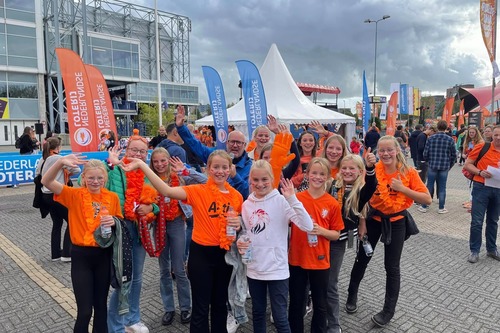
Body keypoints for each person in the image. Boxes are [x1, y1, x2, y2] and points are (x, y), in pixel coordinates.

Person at [121, 150, 243, 333]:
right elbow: (166, 190)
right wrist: (142, 165)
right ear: (208, 169)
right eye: (215, 167)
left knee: (219, 304)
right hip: (201, 254)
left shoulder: (236, 196)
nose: (220, 171)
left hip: (224, 255)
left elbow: (238, 225)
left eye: (224, 167)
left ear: (230, 169)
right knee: (201, 307)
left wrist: (239, 223)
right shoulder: (197, 191)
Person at [345, 136, 431, 328]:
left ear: (397, 150)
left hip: (397, 222)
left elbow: (427, 199)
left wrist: (402, 189)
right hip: (373, 220)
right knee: (362, 259)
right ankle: (352, 294)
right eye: (381, 150)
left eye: (389, 150)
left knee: (392, 268)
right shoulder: (373, 171)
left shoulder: (409, 172)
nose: (385, 154)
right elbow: (362, 198)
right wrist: (362, 223)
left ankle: (388, 311)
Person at [42, 155, 122, 333]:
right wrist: (61, 162)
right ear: (83, 178)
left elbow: (119, 225)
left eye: (100, 178)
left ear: (105, 179)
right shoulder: (74, 195)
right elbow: (46, 181)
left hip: (103, 255)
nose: (95, 181)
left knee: (101, 308)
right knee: (85, 311)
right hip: (80, 257)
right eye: (91, 177)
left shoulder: (113, 197)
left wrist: (115, 223)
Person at [237, 160, 313, 333]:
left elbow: (307, 226)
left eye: (264, 179)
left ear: (272, 178)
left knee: (280, 318)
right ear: (250, 180)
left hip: (277, 269)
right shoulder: (246, 205)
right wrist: (241, 242)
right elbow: (249, 234)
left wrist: (292, 198)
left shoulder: (281, 201)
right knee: (258, 313)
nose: (260, 184)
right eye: (255, 180)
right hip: (254, 268)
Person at [106, 129, 158, 333]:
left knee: (137, 278)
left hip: (140, 228)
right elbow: (88, 183)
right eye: (134, 150)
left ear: (147, 154)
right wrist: (110, 163)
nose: (137, 154)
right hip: (121, 227)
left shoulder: (147, 173)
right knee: (123, 279)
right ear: (126, 150)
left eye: (142, 151)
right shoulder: (115, 168)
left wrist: (151, 209)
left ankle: (132, 318)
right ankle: (116, 326)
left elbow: (159, 200)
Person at [288, 157, 344, 333]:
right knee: (296, 302)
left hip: (320, 261)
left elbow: (336, 234)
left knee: (320, 303)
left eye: (322, 174)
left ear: (328, 177)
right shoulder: (296, 199)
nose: (318, 177)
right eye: (314, 173)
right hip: (297, 258)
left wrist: (321, 231)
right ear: (307, 174)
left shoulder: (332, 204)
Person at [327, 152, 377, 333]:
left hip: (339, 241)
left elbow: (372, 185)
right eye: (344, 168)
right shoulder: (332, 185)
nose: (347, 171)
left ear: (359, 171)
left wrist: (371, 169)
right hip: (322, 236)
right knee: (317, 279)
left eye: (351, 168)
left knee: (331, 281)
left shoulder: (360, 191)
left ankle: (333, 323)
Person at [148, 148, 192, 326]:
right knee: (164, 270)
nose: (159, 164)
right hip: (158, 223)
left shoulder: (178, 176)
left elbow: (199, 181)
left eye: (163, 161)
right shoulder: (149, 178)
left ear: (168, 161)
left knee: (179, 269)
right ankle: (168, 309)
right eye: (156, 161)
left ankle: (186, 307)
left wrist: (185, 170)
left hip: (175, 223)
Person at [174, 105, 251, 199]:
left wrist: (235, 177)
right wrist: (181, 128)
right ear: (227, 143)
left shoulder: (249, 166)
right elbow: (195, 145)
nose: (235, 145)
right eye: (232, 142)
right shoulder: (216, 157)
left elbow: (248, 193)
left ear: (244, 145)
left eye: (238, 143)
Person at [36, 137, 80, 262]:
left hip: (45, 195)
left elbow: (37, 174)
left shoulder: (42, 159)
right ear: (58, 147)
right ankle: (67, 253)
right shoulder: (59, 159)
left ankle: (55, 253)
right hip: (57, 194)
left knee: (57, 223)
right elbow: (77, 169)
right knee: (72, 221)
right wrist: (66, 171)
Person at [464, 125, 500, 263]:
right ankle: (474, 251)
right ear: (491, 135)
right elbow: (468, 164)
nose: (498, 138)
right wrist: (480, 172)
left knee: (493, 221)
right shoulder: (482, 147)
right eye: (496, 135)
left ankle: (492, 249)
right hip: (481, 187)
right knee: (477, 221)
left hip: (498, 189)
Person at [418, 120, 456, 214]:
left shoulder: (431, 138)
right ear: (446, 127)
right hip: (444, 166)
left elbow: (425, 153)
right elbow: (454, 155)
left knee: (429, 186)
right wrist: (449, 165)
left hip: (432, 165)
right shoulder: (450, 139)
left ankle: (424, 206)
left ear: (437, 127)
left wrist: (428, 161)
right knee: (442, 187)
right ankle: (441, 207)